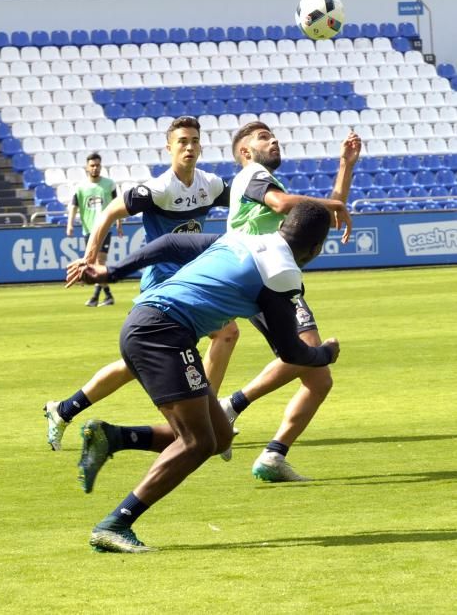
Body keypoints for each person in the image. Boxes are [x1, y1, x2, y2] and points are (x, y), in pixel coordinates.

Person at [79, 201, 341, 553]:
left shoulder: (242, 238)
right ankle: (114, 524)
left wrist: (114, 272)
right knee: (197, 442)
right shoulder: (282, 274)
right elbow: (292, 352)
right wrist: (325, 353)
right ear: (316, 248)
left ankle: (112, 437)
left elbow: (170, 244)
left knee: (217, 436)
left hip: (147, 321)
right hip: (162, 335)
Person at [44, 116, 239, 450]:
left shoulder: (211, 184)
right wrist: (91, 258)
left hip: (192, 282)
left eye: (194, 140)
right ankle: (207, 419)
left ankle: (64, 409)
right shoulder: (160, 188)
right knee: (220, 334)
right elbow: (108, 213)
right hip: (162, 284)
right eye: (182, 141)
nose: (189, 147)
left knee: (216, 336)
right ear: (169, 147)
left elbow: (243, 206)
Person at [218, 121, 361, 478]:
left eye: (273, 135)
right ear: (245, 152)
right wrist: (328, 202)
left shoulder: (264, 181)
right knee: (306, 349)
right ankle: (229, 407)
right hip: (265, 278)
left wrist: (346, 165)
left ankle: (273, 456)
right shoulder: (252, 175)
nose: (274, 140)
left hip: (272, 278)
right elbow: (284, 204)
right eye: (264, 138)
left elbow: (323, 215)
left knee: (318, 380)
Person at [66, 151, 123, 307]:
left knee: (99, 261)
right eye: (92, 165)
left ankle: (97, 297)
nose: (95, 168)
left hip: (105, 228)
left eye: (98, 165)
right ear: (87, 167)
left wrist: (118, 223)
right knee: (96, 263)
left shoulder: (109, 184)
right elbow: (74, 206)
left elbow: (116, 205)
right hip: (88, 230)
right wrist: (70, 224)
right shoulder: (80, 188)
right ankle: (106, 296)